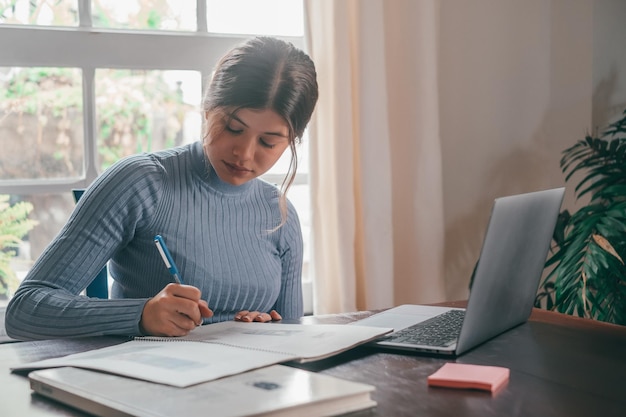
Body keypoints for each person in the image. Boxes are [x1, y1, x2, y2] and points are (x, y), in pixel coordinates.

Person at [5, 36, 319, 340]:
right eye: (233, 128)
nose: (245, 153)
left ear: (290, 142)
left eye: (268, 142)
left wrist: (266, 330)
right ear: (207, 108)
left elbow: (292, 341)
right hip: (143, 385)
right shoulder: (140, 182)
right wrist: (141, 315)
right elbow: (25, 309)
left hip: (249, 388)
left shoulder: (281, 216)